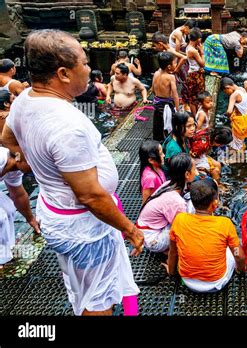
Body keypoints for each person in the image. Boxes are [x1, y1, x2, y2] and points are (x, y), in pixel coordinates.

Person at [1, 29, 144, 316]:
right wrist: (130, 229)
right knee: (98, 299)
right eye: (84, 62)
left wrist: (40, 164)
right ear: (64, 73)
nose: (90, 69)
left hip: (56, 211)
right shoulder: (68, 126)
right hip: (84, 227)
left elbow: (7, 138)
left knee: (83, 286)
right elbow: (90, 195)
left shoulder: (26, 98)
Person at [167, 179, 245, 292]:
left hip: (187, 281)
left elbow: (173, 251)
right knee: (234, 248)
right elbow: (239, 255)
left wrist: (171, 272)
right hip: (216, 283)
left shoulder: (179, 219)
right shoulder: (225, 223)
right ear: (215, 204)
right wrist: (240, 269)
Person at [136, 153, 196, 253]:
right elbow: (182, 228)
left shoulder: (169, 184)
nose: (197, 173)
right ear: (187, 174)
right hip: (153, 240)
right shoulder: (176, 201)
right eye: (195, 169)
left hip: (146, 229)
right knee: (192, 210)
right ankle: (171, 253)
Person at [0, 147, 40, 267]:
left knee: (9, 209)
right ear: (20, 158)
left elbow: (18, 195)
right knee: (1, 217)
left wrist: (30, 219)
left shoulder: (15, 167)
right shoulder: (1, 159)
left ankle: (5, 254)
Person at [152, 52, 179, 142]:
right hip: (166, 105)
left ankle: (157, 141)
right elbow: (175, 95)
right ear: (169, 66)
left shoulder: (156, 73)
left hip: (157, 104)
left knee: (158, 124)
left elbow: (152, 90)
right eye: (175, 63)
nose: (176, 64)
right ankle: (167, 143)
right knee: (168, 124)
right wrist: (177, 109)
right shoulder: (170, 77)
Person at [222, 77, 247, 152]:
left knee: (236, 142)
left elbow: (229, 111)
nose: (227, 94)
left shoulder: (234, 95)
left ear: (228, 87)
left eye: (226, 92)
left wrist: (227, 115)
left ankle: (238, 157)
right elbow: (241, 105)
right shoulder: (242, 89)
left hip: (240, 121)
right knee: (240, 139)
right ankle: (241, 149)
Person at [183, 28, 205, 115]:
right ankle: (198, 116)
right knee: (199, 96)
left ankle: (195, 117)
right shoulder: (194, 51)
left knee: (192, 97)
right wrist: (202, 52)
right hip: (196, 75)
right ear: (199, 39)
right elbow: (202, 64)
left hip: (190, 74)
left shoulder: (188, 47)